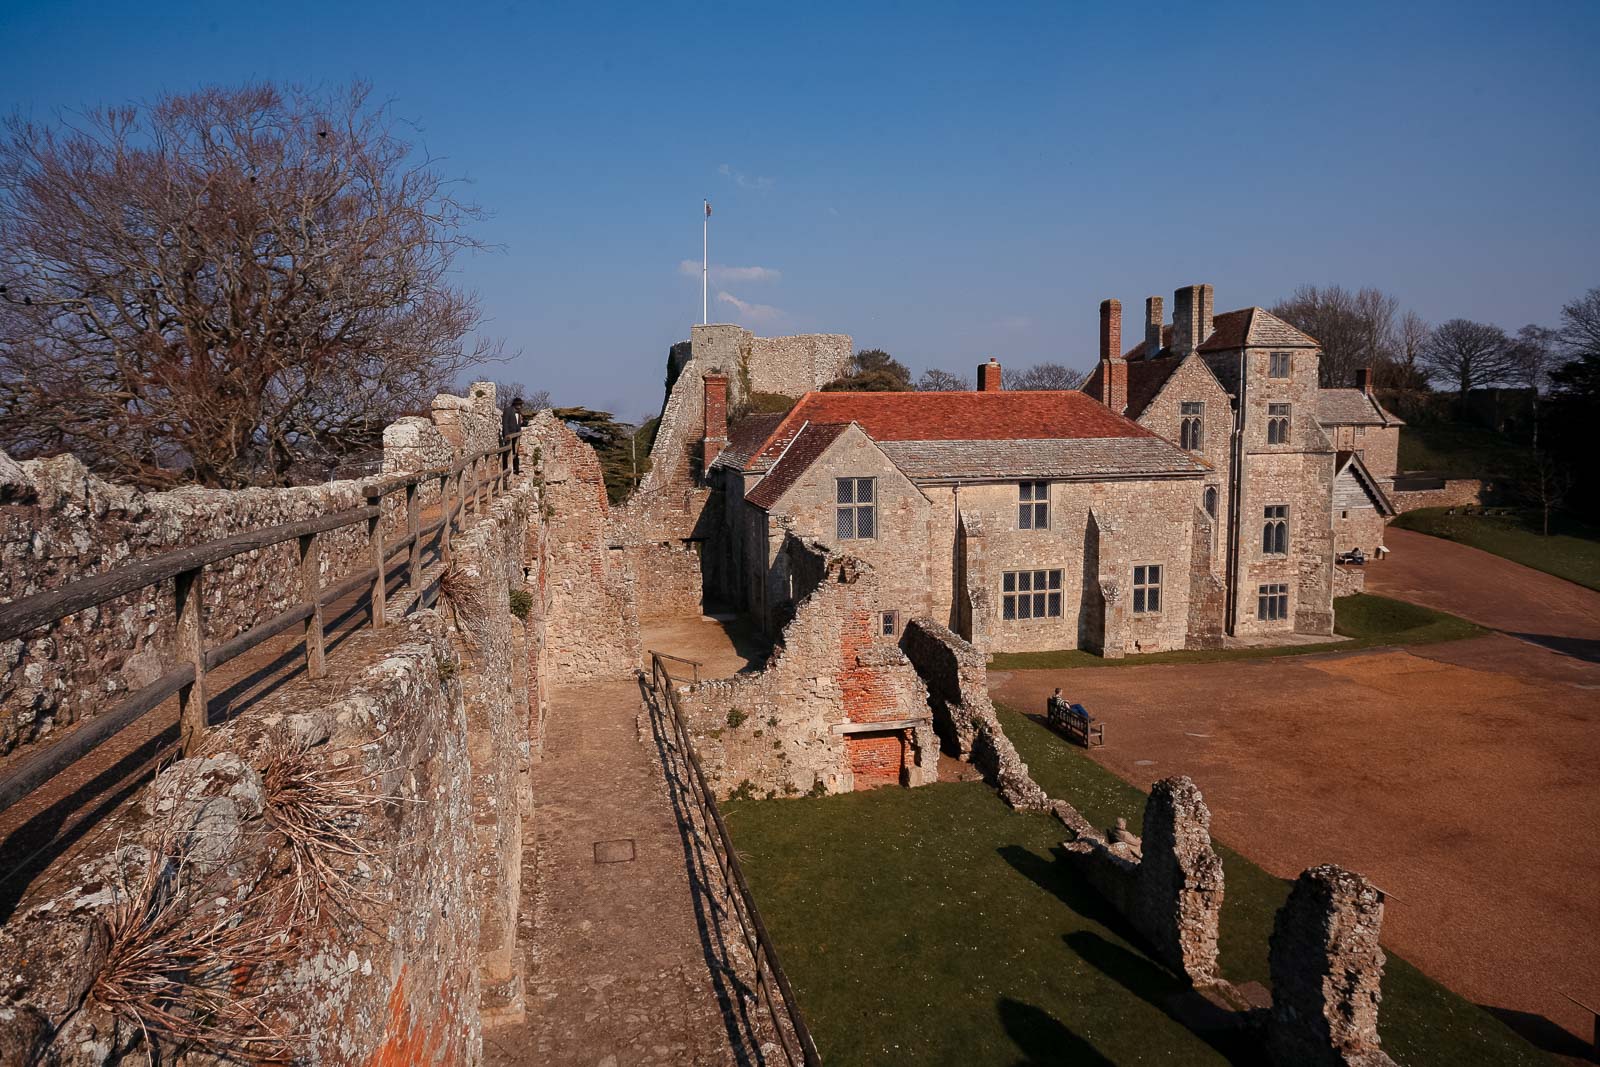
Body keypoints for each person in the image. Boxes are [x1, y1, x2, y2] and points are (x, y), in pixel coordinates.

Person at [502, 397, 524, 474]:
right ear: (516, 405)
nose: (520, 406)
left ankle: (515, 469)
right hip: (509, 436)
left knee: (516, 452)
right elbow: (505, 423)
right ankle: (506, 469)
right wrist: (506, 435)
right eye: (519, 405)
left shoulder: (519, 413)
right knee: (508, 452)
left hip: (516, 436)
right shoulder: (508, 410)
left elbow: (518, 425)